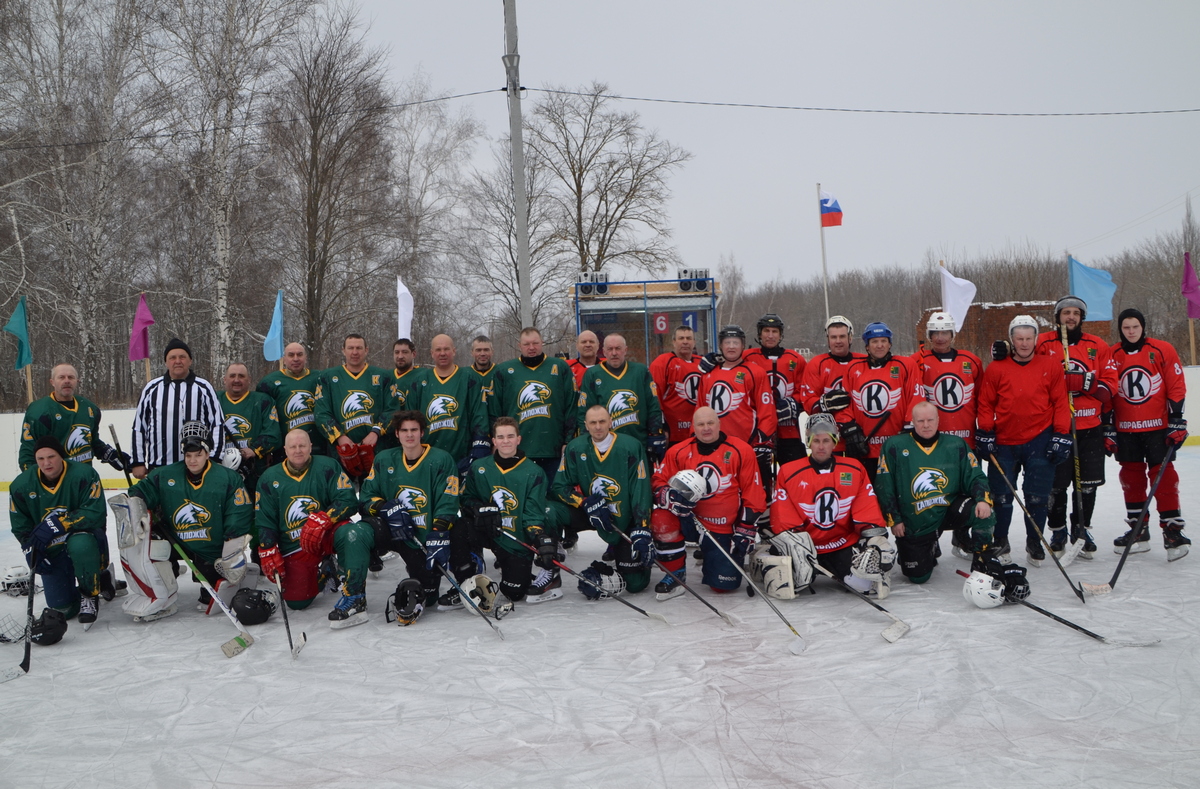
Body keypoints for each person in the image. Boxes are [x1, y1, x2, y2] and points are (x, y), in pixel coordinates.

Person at [129, 421, 254, 613]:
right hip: (176, 540)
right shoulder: (166, 475)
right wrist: (138, 508)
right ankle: (164, 588)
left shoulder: (228, 478)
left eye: (198, 455)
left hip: (211, 549)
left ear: (208, 453)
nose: (192, 460)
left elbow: (239, 512)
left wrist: (232, 547)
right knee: (151, 547)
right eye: (188, 455)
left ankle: (211, 577)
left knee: (210, 596)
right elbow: (140, 491)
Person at [975, 315, 1071, 566]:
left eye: (1029, 338)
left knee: (1037, 496)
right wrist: (985, 430)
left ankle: (1034, 541)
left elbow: (1061, 402)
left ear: (1036, 339)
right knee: (1001, 496)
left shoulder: (1050, 365)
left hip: (1040, 438)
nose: (1025, 343)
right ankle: (1000, 540)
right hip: (1004, 441)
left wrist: (1061, 434)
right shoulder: (997, 368)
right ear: (1012, 340)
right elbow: (986, 402)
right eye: (1019, 338)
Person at [254, 429, 372, 628]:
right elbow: (265, 519)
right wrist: (268, 548)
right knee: (297, 601)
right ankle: (325, 572)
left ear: (310, 446)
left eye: (302, 445)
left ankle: (355, 595)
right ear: (285, 450)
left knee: (353, 533)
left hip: (327, 534)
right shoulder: (269, 478)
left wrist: (326, 517)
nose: (298, 450)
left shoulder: (328, 466)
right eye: (293, 447)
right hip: (295, 545)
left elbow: (349, 500)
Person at [764, 413, 890, 598]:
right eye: (816, 441)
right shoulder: (789, 471)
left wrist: (874, 538)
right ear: (808, 442)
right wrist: (794, 543)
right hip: (804, 547)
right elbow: (783, 516)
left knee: (865, 586)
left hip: (841, 544)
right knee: (788, 586)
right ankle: (764, 558)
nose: (821, 446)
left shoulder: (854, 469)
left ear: (835, 442)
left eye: (826, 440)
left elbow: (866, 508)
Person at [359, 411, 465, 625]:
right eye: (404, 430)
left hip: (424, 537)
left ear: (422, 432)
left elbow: (449, 500)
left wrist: (438, 531)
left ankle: (466, 570)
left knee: (429, 595)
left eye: (414, 430)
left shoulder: (441, 459)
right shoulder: (384, 459)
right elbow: (365, 499)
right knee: (360, 531)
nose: (409, 435)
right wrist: (385, 507)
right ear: (397, 434)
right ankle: (356, 593)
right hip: (395, 532)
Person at [875, 402, 999, 584]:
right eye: (920, 421)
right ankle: (927, 546)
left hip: (949, 509)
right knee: (918, 577)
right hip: (916, 520)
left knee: (985, 513)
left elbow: (975, 476)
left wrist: (982, 499)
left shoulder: (955, 445)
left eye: (930, 420)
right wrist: (894, 519)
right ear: (912, 421)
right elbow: (884, 486)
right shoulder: (895, 446)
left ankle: (982, 561)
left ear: (938, 420)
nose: (926, 425)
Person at [1034, 295, 1118, 559]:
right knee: (1056, 485)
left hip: (1089, 427)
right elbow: (1023, 366)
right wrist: (1003, 349)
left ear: (1082, 318)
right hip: (1055, 428)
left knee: (1087, 485)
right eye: (1066, 312)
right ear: (1057, 316)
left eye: (1076, 313)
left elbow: (1111, 386)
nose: (1071, 317)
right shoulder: (1042, 342)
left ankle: (1081, 530)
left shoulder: (1097, 345)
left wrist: (1086, 384)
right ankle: (1058, 531)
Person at [649, 407, 765, 597]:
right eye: (701, 424)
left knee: (723, 586)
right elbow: (657, 481)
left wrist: (746, 528)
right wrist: (668, 495)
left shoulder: (741, 450)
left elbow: (754, 493)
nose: (706, 428)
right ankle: (676, 574)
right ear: (693, 427)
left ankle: (712, 555)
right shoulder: (678, 451)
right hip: (689, 519)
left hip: (722, 527)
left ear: (719, 424)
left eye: (710, 423)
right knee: (661, 518)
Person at [1107, 307, 1190, 560]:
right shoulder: (1112, 354)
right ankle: (1138, 530)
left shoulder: (1162, 349)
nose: (1131, 331)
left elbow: (1176, 385)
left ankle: (1172, 530)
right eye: (1126, 327)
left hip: (1158, 428)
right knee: (1131, 479)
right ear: (1120, 329)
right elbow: (1107, 390)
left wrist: (1176, 420)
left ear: (1143, 327)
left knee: (1163, 477)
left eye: (1135, 326)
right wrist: (1107, 427)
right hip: (1126, 429)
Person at [460, 417, 558, 617]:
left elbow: (533, 512)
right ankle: (469, 570)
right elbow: (466, 499)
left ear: (518, 439)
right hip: (487, 529)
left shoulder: (534, 472)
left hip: (514, 538)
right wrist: (479, 508)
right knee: (459, 528)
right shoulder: (479, 467)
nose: (506, 441)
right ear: (494, 441)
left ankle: (512, 565)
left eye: (510, 436)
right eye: (501, 437)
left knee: (514, 593)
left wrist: (538, 536)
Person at [553, 404, 654, 597]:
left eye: (602, 421)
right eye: (593, 422)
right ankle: (550, 572)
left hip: (623, 518)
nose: (598, 426)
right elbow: (559, 486)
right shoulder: (576, 447)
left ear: (610, 422)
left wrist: (642, 527)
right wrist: (583, 502)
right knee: (550, 511)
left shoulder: (631, 446)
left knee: (635, 584)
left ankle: (625, 554)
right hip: (592, 514)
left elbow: (640, 490)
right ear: (586, 425)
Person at [9, 436, 108, 627]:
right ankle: (96, 581)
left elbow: (95, 513)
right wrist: (29, 548)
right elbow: (21, 526)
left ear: (61, 456)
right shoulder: (21, 486)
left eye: (51, 457)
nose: (46, 463)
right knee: (62, 608)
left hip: (84, 538)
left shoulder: (84, 474)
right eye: (40, 459)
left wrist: (56, 524)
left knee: (81, 544)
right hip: (51, 547)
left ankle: (90, 592)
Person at [488, 327, 576, 485]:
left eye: (535, 343)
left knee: (554, 494)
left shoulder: (560, 367)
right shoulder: (504, 371)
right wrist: (497, 441)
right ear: (519, 346)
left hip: (553, 448)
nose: (531, 347)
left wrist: (568, 440)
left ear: (542, 342)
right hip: (517, 449)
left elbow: (571, 406)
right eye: (526, 344)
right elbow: (495, 412)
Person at [130, 338, 224, 480]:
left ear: (190, 361)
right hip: (160, 466)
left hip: (196, 467)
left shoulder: (204, 388)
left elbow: (217, 424)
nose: (178, 361)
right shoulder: (152, 389)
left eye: (182, 357)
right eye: (172, 358)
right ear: (166, 362)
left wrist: (215, 458)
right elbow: (139, 427)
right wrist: (138, 461)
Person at [843, 322, 922, 480]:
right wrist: (850, 427)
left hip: (896, 446)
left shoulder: (906, 365)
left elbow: (916, 396)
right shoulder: (853, 368)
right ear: (867, 346)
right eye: (874, 341)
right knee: (867, 491)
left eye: (883, 341)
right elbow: (845, 403)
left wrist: (909, 427)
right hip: (865, 448)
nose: (880, 345)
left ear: (890, 343)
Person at [19, 363, 129, 473]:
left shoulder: (89, 408)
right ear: (52, 382)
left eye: (71, 377)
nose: (67, 381)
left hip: (85, 476)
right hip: (57, 478)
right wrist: (33, 477)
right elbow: (28, 452)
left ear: (77, 381)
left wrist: (109, 453)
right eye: (61, 377)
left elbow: (92, 441)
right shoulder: (39, 412)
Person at [314, 333, 394, 482]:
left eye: (359, 348)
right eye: (350, 348)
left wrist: (376, 432)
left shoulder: (383, 376)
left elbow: (393, 410)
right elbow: (321, 413)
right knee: (342, 493)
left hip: (376, 450)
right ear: (343, 350)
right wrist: (339, 436)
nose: (355, 352)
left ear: (366, 350)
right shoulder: (327, 377)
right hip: (340, 452)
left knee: (375, 493)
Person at [744, 314, 808, 495]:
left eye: (774, 331)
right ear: (760, 333)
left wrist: (793, 403)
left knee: (797, 477)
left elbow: (805, 390)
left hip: (788, 431)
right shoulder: (747, 357)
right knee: (759, 483)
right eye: (766, 331)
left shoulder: (795, 359)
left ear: (781, 335)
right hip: (758, 433)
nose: (770, 335)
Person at [576, 333, 666, 462]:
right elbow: (585, 411)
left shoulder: (641, 371)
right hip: (604, 446)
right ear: (604, 351)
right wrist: (585, 438)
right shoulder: (592, 374)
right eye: (610, 349)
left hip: (639, 443)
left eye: (618, 348)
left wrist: (655, 433)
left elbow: (653, 405)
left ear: (625, 350)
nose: (614, 353)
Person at [696, 325, 777, 466]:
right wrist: (695, 435)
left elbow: (767, 412)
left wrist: (762, 441)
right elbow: (700, 409)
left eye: (736, 342)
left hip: (747, 443)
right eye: (727, 342)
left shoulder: (755, 372)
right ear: (721, 345)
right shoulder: (708, 374)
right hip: (714, 445)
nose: (731, 347)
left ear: (743, 345)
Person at [409, 334, 490, 475]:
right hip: (427, 455)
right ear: (432, 353)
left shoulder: (470, 379)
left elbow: (479, 416)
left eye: (446, 349)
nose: (442, 353)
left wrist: (478, 447)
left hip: (461, 454)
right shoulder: (419, 381)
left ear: (454, 351)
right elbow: (410, 418)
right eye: (438, 349)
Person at [911, 311, 984, 448]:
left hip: (965, 435)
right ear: (929, 336)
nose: (940, 338)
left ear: (952, 335)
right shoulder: (917, 360)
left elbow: (983, 398)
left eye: (945, 333)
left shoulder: (971, 360)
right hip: (931, 437)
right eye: (935, 333)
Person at [799, 315, 867, 455]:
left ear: (850, 338)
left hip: (861, 434)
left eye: (842, 336)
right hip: (829, 439)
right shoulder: (817, 364)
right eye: (833, 337)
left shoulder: (864, 361)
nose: (838, 341)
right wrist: (824, 404)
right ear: (828, 340)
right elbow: (807, 401)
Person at [218, 362, 282, 499]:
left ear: (249, 380)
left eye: (241, 376)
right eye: (232, 376)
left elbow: (274, 435)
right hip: (221, 470)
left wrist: (254, 449)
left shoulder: (263, 401)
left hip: (254, 471)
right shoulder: (214, 400)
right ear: (225, 379)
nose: (236, 380)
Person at [257, 342, 325, 458]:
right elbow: (262, 418)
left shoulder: (320, 378)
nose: (296, 359)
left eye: (299, 354)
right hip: (284, 449)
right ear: (284, 358)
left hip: (318, 445)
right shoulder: (269, 382)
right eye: (291, 355)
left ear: (306, 357)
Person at [649, 325, 703, 446]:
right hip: (673, 432)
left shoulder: (703, 363)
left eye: (689, 338)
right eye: (681, 338)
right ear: (674, 342)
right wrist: (660, 426)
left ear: (694, 342)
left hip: (698, 430)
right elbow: (654, 398)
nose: (685, 342)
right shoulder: (662, 363)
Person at [389, 338, 428, 413]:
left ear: (413, 354)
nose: (400, 356)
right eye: (397, 352)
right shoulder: (386, 376)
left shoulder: (423, 376)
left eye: (405, 352)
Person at [469, 335, 497, 402]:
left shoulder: (500, 372)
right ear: (472, 352)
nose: (482, 354)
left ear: (492, 352)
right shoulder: (465, 375)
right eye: (478, 350)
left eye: (486, 350)